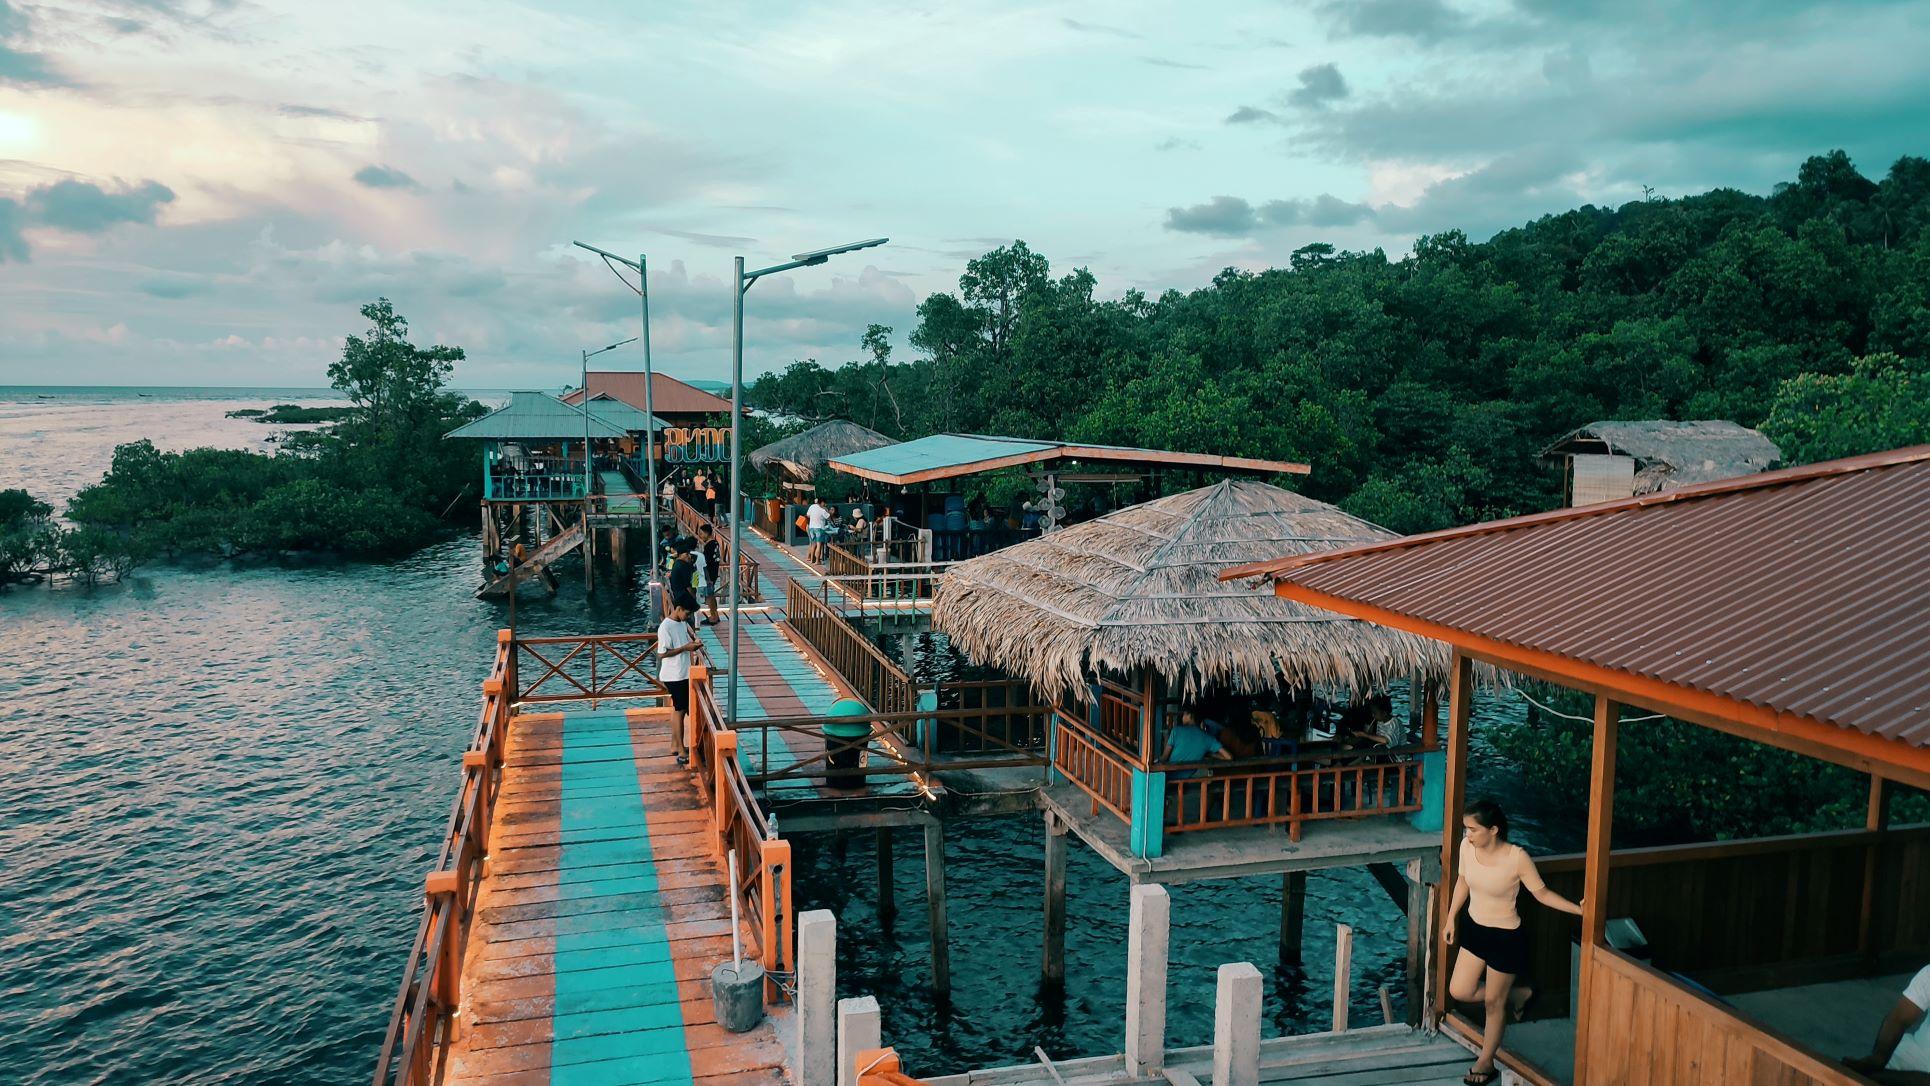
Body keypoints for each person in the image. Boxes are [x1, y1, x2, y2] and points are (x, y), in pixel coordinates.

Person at [1447, 798, 1583, 1085]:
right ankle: (1518, 994)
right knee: (1459, 990)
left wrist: (1580, 910)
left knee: (1493, 1004)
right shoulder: (1466, 848)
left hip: (1505, 937)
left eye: (1473, 829)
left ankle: (1485, 1062)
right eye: (1466, 829)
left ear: (1493, 830)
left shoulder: (1517, 857)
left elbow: (1542, 894)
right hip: (1475, 929)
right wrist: (1451, 918)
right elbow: (1462, 881)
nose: (1467, 835)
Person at [1847, 964, 1930, 1083]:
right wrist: (1876, 1060)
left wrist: (1876, 1076)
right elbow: (1899, 1018)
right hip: (1916, 1051)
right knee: (1844, 1075)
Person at [656, 596, 703, 766]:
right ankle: (681, 749)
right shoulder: (665, 627)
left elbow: (685, 640)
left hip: (682, 672)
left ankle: (675, 745)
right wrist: (685, 648)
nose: (688, 617)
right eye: (687, 613)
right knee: (680, 710)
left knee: (678, 709)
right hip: (673, 675)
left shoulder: (681, 623)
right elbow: (662, 654)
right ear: (678, 608)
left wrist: (693, 643)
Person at [1160, 708, 1233, 778]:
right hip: (1184, 782)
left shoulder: (1176, 731)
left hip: (1167, 779)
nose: (1182, 717)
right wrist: (1210, 754)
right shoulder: (1208, 738)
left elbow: (1164, 758)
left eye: (1184, 714)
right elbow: (1229, 757)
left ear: (1190, 715)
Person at [667, 537, 700, 625]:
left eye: (689, 554)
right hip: (684, 596)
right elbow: (688, 585)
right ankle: (691, 631)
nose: (689, 556)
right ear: (680, 555)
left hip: (678, 594)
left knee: (684, 617)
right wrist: (693, 597)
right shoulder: (684, 565)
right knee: (689, 617)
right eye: (687, 554)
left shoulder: (676, 563)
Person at [696, 522, 723, 626]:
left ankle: (713, 617)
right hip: (714, 572)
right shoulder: (715, 543)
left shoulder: (708, 546)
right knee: (711, 595)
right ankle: (715, 615)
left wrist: (706, 577)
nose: (700, 536)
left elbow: (705, 563)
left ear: (707, 533)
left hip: (709, 574)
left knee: (709, 596)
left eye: (701, 533)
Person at [805, 497, 831, 564]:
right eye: (824, 503)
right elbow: (829, 518)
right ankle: (817, 561)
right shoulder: (822, 510)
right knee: (819, 545)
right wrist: (826, 510)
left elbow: (808, 515)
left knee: (813, 544)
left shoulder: (812, 506)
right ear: (822, 502)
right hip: (819, 528)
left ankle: (812, 560)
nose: (825, 505)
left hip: (811, 528)